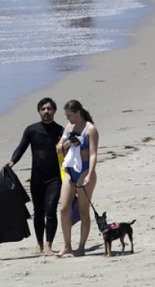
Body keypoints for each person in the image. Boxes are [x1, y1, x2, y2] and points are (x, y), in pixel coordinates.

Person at [6, 97, 65, 255]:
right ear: (39, 111)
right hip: (37, 178)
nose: (46, 112)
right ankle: (39, 243)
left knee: (51, 210)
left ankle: (48, 245)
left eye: (49, 109)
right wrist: (12, 161)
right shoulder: (31, 130)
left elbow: (69, 150)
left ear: (54, 111)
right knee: (38, 212)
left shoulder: (60, 131)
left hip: (54, 178)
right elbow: (21, 148)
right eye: (43, 109)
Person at [55, 100, 98, 257]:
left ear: (78, 113)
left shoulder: (90, 129)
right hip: (70, 169)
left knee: (83, 210)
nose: (68, 119)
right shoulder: (69, 127)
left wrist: (90, 173)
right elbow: (59, 146)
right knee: (63, 208)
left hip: (85, 170)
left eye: (70, 116)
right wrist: (66, 144)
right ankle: (67, 245)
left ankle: (81, 246)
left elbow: (93, 154)